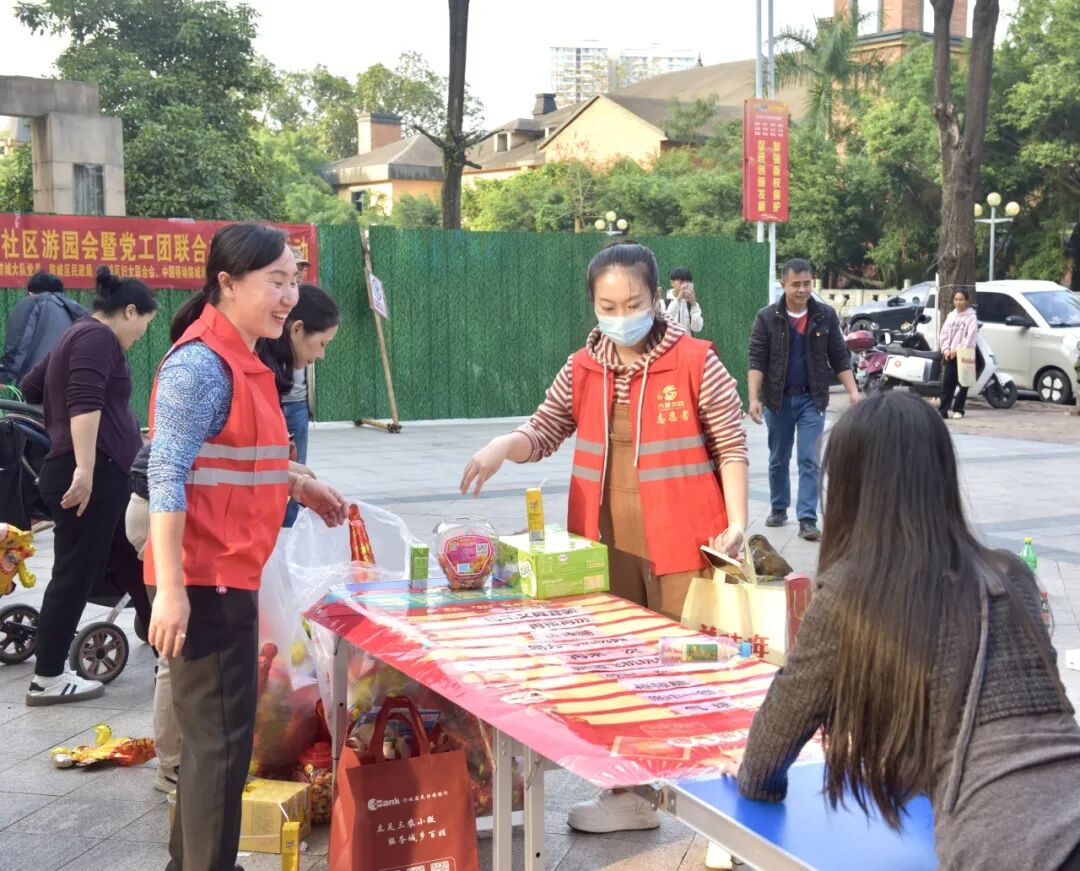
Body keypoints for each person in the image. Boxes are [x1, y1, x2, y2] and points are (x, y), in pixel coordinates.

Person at [460, 240, 749, 845]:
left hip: (684, 543)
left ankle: (722, 808)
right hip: (605, 543)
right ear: (592, 304)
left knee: (692, 669)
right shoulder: (583, 368)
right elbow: (545, 429)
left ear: (657, 299)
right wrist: (503, 446)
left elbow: (731, 444)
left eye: (634, 303)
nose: (622, 317)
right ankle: (628, 795)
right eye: (608, 306)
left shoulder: (697, 361)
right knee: (619, 670)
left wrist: (738, 522)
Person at [727, 392, 1080, 871]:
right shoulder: (1010, 573)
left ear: (851, 490)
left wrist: (751, 782)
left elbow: (769, 752)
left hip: (1007, 846)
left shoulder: (850, 591)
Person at [145, 223, 348, 871]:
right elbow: (165, 473)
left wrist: (298, 485)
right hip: (202, 577)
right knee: (220, 746)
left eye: (294, 281)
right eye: (275, 281)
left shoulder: (245, 359)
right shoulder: (201, 365)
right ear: (227, 284)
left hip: (228, 572)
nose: (289, 296)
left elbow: (237, 457)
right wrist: (171, 589)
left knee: (217, 744)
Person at [20, 267, 158, 705]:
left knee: (135, 562)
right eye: (144, 323)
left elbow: (31, 386)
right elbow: (85, 401)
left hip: (102, 474)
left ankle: (171, 654)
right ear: (130, 311)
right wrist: (83, 466)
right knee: (74, 574)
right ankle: (47, 677)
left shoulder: (75, 335)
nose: (141, 334)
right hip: (91, 475)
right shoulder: (97, 338)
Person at [747, 258, 858, 541]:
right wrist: (753, 398)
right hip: (778, 401)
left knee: (809, 458)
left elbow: (839, 355)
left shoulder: (825, 315)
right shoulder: (767, 318)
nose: (802, 290)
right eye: (795, 284)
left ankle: (808, 518)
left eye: (807, 283)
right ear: (783, 285)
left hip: (812, 399)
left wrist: (853, 391)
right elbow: (757, 360)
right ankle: (779, 507)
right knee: (778, 458)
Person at [257, 283, 340, 526]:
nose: (322, 356)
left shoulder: (267, 372)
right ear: (297, 329)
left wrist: (292, 477)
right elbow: (236, 466)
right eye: (322, 344)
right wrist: (295, 482)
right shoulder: (251, 374)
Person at [0, 270, 88, 385]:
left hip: (38, 383)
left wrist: (4, 374)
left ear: (30, 292)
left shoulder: (34, 302)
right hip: (70, 384)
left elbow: (18, 343)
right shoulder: (76, 312)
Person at [938, 288, 978, 420]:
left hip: (964, 354)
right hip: (950, 355)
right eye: (956, 299)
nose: (958, 302)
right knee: (948, 383)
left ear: (967, 301)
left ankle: (959, 409)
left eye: (961, 299)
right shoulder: (951, 316)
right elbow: (944, 334)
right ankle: (943, 410)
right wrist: (946, 350)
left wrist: (957, 351)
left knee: (964, 383)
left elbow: (970, 337)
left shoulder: (971, 317)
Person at [664, 266, 704, 333]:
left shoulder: (692, 305)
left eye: (687, 283)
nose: (684, 286)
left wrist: (694, 305)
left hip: (687, 339)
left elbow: (697, 328)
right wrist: (678, 299)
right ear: (672, 283)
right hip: (670, 339)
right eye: (681, 282)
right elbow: (664, 324)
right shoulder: (664, 302)